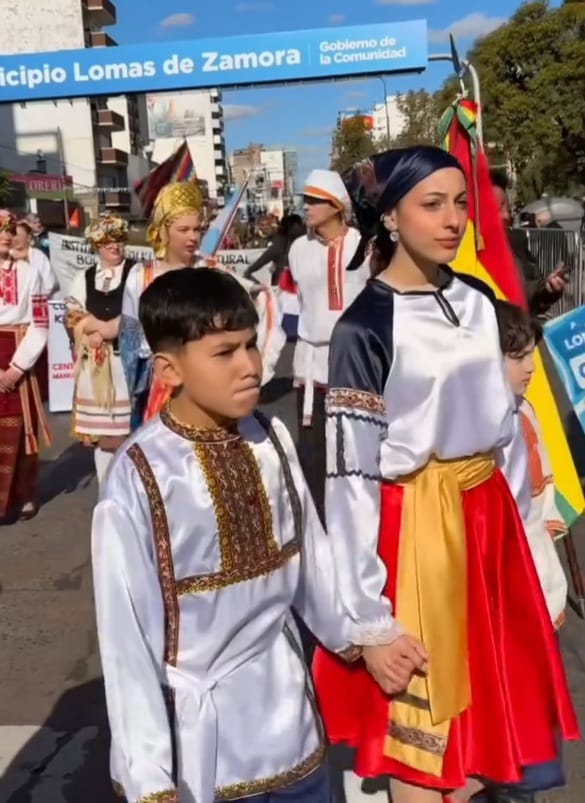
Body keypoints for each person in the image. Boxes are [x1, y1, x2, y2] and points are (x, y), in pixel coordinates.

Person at [312, 147, 578, 803]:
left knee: (482, 732)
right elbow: (349, 477)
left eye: (459, 202)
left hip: (487, 525)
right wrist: (369, 620)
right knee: (421, 737)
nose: (453, 218)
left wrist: (525, 542)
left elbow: (504, 433)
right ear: (391, 217)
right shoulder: (364, 326)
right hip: (413, 536)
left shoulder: (479, 302)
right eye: (432, 204)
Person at [92, 267, 372, 803]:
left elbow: (313, 562)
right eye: (224, 353)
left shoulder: (271, 437)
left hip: (294, 730)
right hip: (206, 755)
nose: (249, 366)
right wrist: (150, 779)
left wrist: (362, 639)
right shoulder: (142, 475)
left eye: (250, 345)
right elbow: (126, 639)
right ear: (169, 368)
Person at [471, 300, 569, 803]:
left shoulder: (526, 409)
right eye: (516, 356)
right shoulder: (466, 427)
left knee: (528, 731)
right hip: (491, 602)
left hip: (532, 589)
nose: (530, 367)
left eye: (531, 354)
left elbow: (540, 495)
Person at [288, 169, 369, 521]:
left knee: (355, 452)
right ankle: (319, 531)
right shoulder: (297, 249)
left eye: (313, 200)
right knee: (314, 455)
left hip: (355, 364)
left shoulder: (363, 245)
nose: (305, 207)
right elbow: (293, 304)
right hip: (309, 367)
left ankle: (359, 526)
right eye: (304, 200)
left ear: (336, 205)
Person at [120, 181, 205, 427]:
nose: (193, 237)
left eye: (197, 229)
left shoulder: (210, 271)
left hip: (202, 380)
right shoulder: (141, 276)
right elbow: (129, 339)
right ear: (164, 232)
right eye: (184, 229)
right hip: (156, 383)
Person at [64, 215, 134, 485]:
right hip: (97, 366)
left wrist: (109, 329)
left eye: (117, 240)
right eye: (107, 241)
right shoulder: (85, 277)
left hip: (126, 364)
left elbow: (141, 308)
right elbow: (72, 312)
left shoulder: (136, 272)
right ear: (96, 244)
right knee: (104, 438)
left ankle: (134, 492)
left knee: (130, 434)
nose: (114, 246)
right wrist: (89, 330)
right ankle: (107, 491)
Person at [0, 210, 51, 522]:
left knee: (23, 428)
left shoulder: (30, 272)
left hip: (20, 352)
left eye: (9, 229)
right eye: (0, 229)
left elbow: (41, 323)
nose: (6, 235)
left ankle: (23, 496)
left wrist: (17, 367)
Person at [490, 172, 566, 315]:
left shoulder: (515, 245)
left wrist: (547, 289)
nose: (506, 216)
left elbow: (525, 292)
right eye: (498, 209)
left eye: (507, 208)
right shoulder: (461, 258)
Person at [244, 213, 306, 286]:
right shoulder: (308, 241)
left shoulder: (281, 243)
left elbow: (255, 266)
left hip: (285, 288)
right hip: (294, 288)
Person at [12, 218, 58, 298]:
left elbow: (49, 283)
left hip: (38, 301)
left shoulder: (38, 255)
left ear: (28, 237)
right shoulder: (6, 256)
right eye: (13, 235)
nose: (15, 238)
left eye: (18, 235)